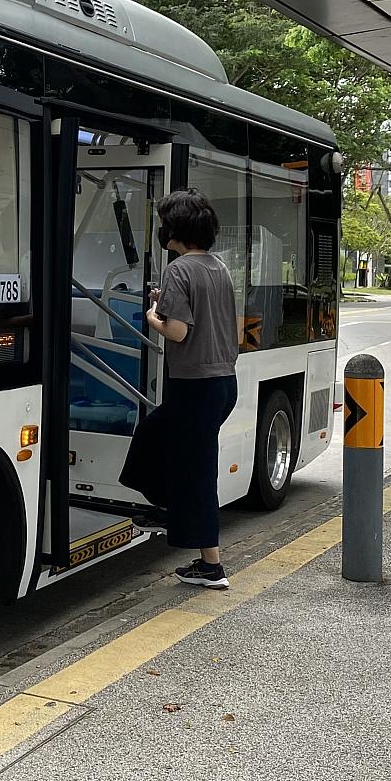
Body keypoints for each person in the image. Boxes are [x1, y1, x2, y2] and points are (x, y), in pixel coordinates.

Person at [145, 188, 239, 590]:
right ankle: (169, 508)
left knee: (198, 473)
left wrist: (153, 316)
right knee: (155, 436)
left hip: (194, 385)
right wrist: (165, 303)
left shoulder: (178, 269)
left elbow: (179, 331)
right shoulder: (219, 267)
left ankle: (211, 565)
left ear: (175, 229)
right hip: (222, 382)